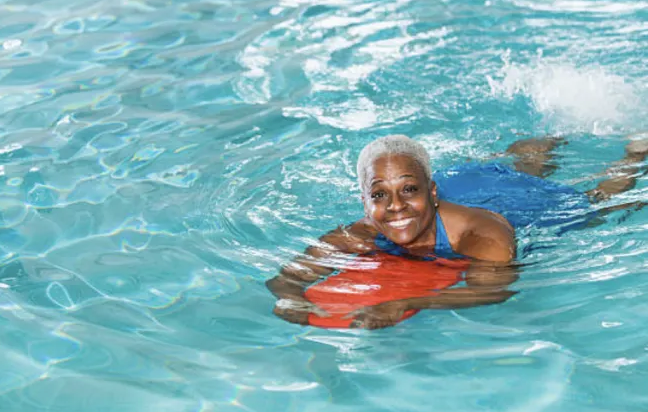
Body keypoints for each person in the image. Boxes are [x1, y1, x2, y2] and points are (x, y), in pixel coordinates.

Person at [267, 135, 647, 329]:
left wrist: (410, 303)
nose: (395, 206)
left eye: (408, 189)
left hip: (514, 207)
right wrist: (294, 302)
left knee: (595, 205)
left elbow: (493, 289)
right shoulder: (360, 233)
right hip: (463, 184)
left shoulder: (484, 237)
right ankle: (544, 142)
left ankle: (634, 155)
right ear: (365, 202)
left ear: (430, 191)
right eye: (380, 194)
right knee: (524, 168)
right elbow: (287, 278)